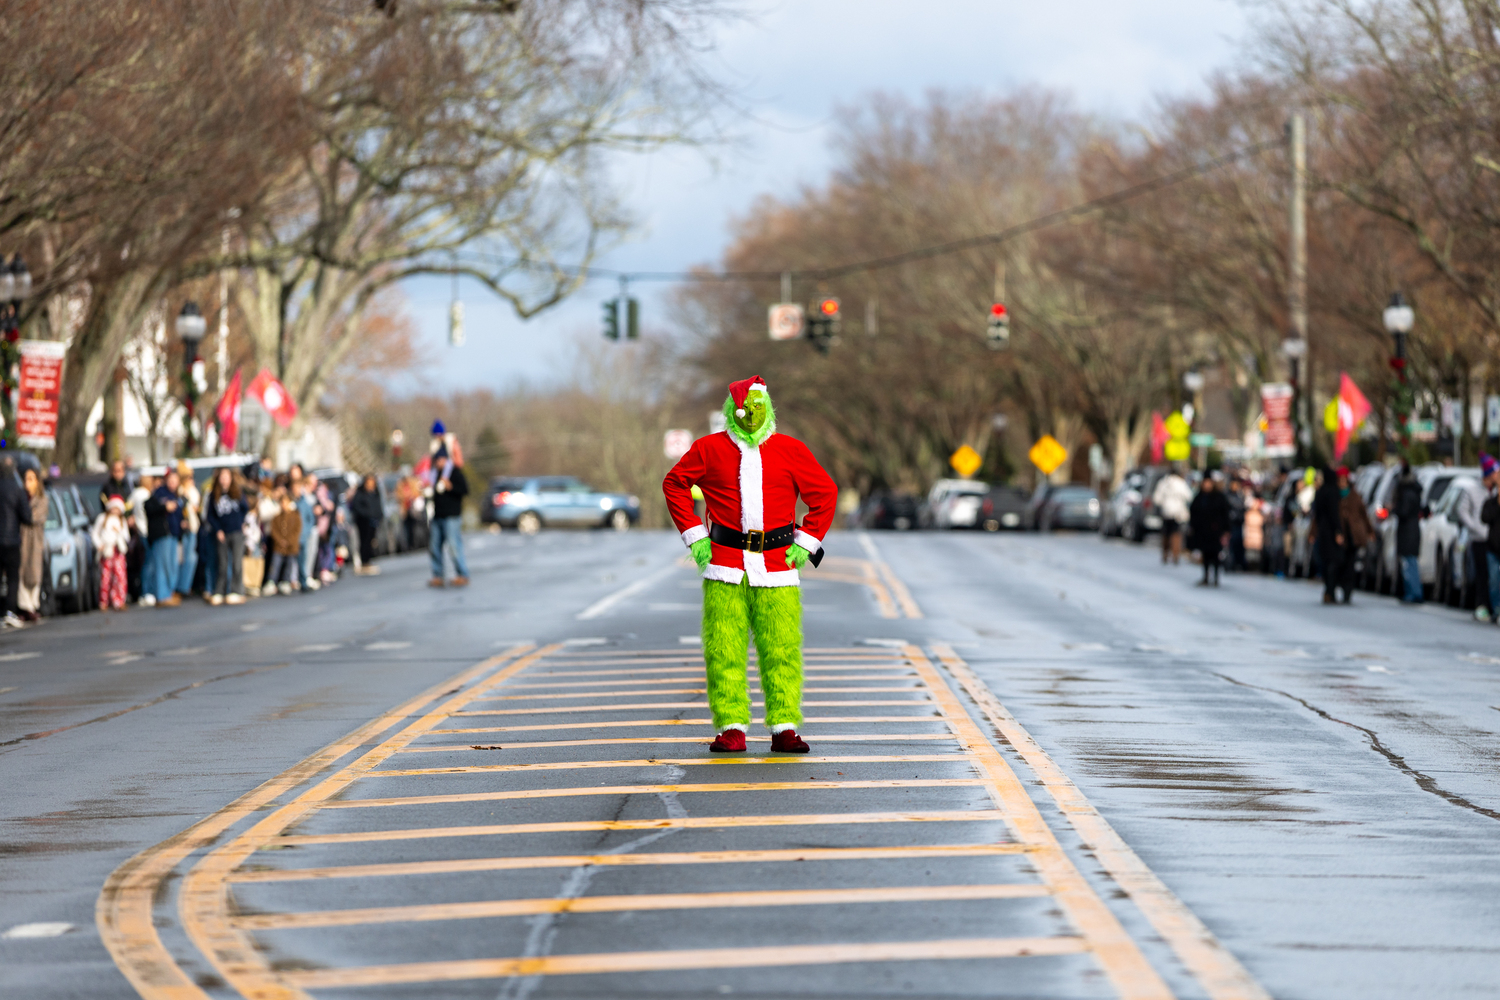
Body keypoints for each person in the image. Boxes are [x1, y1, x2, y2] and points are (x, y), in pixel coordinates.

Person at [663, 376, 837, 755]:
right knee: (724, 649)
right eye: (744, 410)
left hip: (777, 566)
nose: (751, 417)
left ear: (769, 409)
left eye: (759, 409)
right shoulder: (709, 449)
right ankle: (731, 727)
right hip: (724, 564)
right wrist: (695, 536)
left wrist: (806, 542)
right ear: (732, 412)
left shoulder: (790, 450)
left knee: (782, 649)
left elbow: (824, 493)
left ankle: (785, 726)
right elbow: (674, 484)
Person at [1452, 458, 1495, 622]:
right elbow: (1461, 511)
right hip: (1479, 538)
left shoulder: (1496, 491)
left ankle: (1492, 606)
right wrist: (1474, 527)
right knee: (1482, 574)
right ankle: (1482, 605)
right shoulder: (1472, 489)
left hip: (1493, 539)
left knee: (1493, 575)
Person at [205, 468, 248, 605]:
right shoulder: (214, 495)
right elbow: (210, 515)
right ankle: (220, 591)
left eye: (226, 476)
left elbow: (245, 508)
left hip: (236, 531)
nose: (224, 479)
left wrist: (241, 523)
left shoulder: (237, 492)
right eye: (221, 477)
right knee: (222, 564)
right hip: (222, 533)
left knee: (237, 563)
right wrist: (217, 530)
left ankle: (237, 590)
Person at [143, 468, 185, 608]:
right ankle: (162, 595)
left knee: (172, 565)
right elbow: (148, 507)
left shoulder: (176, 495)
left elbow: (179, 514)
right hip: (162, 534)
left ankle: (169, 592)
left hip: (173, 534)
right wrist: (164, 507)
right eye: (170, 479)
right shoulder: (159, 494)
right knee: (162, 565)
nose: (173, 482)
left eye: (175, 480)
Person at [428, 447, 469, 587]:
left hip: (452, 515)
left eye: (440, 459)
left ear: (445, 459)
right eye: (436, 460)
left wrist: (451, 487)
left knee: (453, 546)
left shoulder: (454, 472)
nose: (438, 462)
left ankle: (462, 573)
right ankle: (437, 575)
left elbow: (464, 490)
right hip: (437, 514)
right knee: (434, 546)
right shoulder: (434, 474)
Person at [0, 457, 31, 628]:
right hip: (12, 540)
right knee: (12, 578)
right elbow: (27, 517)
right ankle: (9, 612)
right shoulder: (17, 490)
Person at [17, 467, 48, 621]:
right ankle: (24, 605)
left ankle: (33, 604)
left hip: (35, 540)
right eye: (26, 479)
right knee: (22, 571)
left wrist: (26, 515)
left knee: (34, 572)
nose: (27, 483)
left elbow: (35, 517)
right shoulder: (20, 497)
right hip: (22, 538)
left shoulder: (42, 499)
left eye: (31, 479)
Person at [1189, 474, 1230, 587]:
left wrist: (1226, 529)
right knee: (1206, 555)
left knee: (1216, 555)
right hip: (1203, 531)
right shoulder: (1199, 497)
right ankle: (1206, 576)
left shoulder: (1219, 497)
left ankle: (1216, 577)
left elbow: (1225, 514)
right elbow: (1193, 513)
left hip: (1216, 531)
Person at [1393, 460, 1425, 604]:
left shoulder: (1406, 493)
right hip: (1413, 530)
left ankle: (1413, 592)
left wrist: (1394, 509)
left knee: (1409, 564)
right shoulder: (1415, 491)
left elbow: (1404, 512)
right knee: (1412, 563)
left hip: (1407, 532)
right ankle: (1415, 592)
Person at [92, 495, 131, 610]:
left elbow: (127, 537)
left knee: (120, 577)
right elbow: (95, 533)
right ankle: (104, 601)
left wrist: (118, 531)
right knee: (105, 577)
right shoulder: (102, 518)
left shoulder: (121, 521)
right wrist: (99, 544)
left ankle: (119, 600)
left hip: (118, 551)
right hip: (106, 551)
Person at [1152, 466, 1193, 565]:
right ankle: (1175, 555)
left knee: (1165, 534)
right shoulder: (1181, 483)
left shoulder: (1163, 483)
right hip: (1178, 514)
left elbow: (1156, 499)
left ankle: (1165, 554)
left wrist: (1165, 504)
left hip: (1166, 513)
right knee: (1176, 535)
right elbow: (1189, 497)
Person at [174, 460, 201, 599]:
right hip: (183, 528)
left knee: (191, 558)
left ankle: (185, 585)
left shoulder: (192, 491)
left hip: (192, 527)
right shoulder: (179, 491)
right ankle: (180, 586)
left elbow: (196, 507)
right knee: (183, 558)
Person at [267, 490, 302, 595]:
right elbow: (274, 531)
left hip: (291, 546)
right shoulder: (276, 517)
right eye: (282, 502)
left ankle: (285, 582)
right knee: (275, 564)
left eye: (286, 502)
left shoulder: (295, 516)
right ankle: (271, 582)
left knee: (289, 565)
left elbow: (297, 531)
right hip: (279, 546)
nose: (284, 505)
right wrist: (280, 541)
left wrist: (289, 541)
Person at [350, 473, 384, 575]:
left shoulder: (375, 493)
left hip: (373, 521)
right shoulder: (360, 494)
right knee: (364, 541)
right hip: (363, 522)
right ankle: (364, 562)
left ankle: (368, 560)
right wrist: (366, 514)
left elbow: (378, 506)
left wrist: (379, 516)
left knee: (371, 541)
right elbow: (356, 507)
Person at [295, 476, 321, 590]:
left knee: (307, 557)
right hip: (294, 535)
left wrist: (307, 530)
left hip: (305, 534)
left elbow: (310, 518)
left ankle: (305, 578)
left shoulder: (307, 501)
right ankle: (297, 579)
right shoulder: (295, 501)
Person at [1226, 477, 1247, 571]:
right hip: (1231, 524)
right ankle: (1231, 563)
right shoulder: (1227, 496)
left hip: (1239, 524)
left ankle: (1240, 563)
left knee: (1239, 544)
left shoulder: (1240, 496)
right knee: (1232, 544)